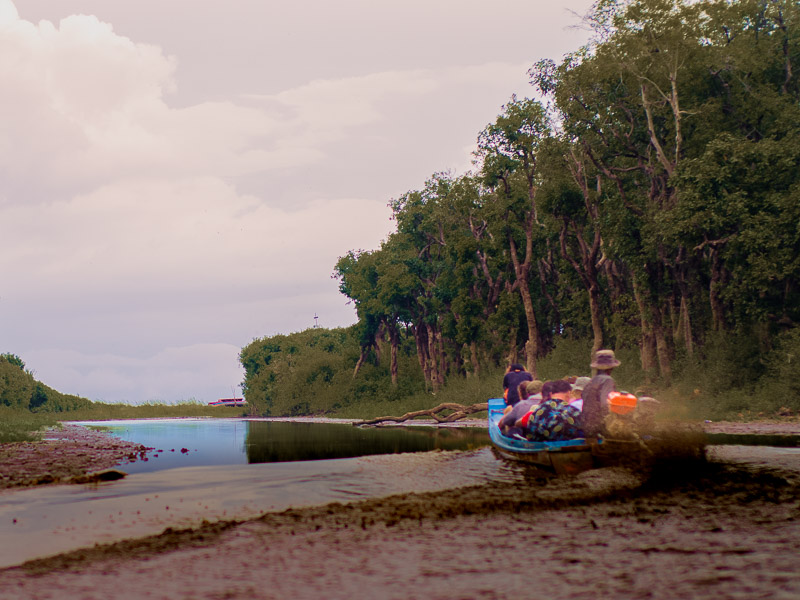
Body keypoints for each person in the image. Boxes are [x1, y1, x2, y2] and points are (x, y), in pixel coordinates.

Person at [580, 349, 620, 437]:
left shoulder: (591, 382)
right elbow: (606, 404)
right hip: (600, 426)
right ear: (611, 367)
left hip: (587, 426)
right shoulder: (608, 380)